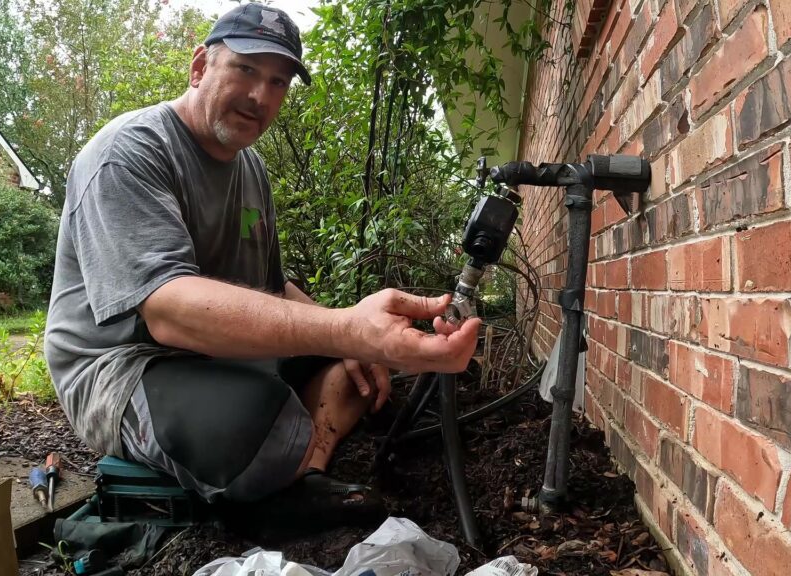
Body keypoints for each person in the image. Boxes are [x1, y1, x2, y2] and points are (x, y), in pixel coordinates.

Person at [44, 3, 480, 517]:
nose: (260, 96)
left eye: (278, 82)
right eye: (246, 70)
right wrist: (345, 328)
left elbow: (273, 288)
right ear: (200, 66)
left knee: (357, 367)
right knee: (255, 421)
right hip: (121, 367)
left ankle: (303, 471)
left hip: (218, 355)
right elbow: (167, 309)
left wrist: (359, 338)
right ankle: (283, 456)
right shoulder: (128, 153)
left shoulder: (250, 169)